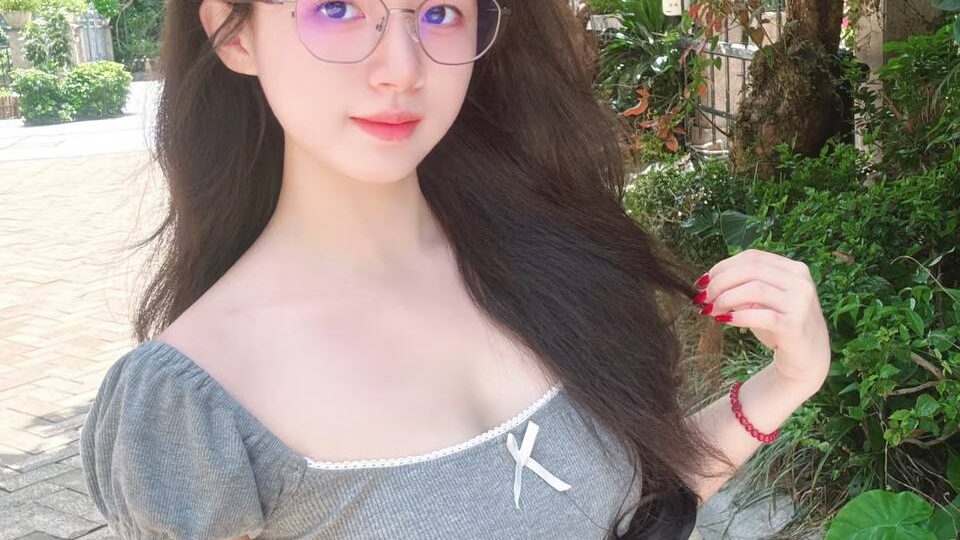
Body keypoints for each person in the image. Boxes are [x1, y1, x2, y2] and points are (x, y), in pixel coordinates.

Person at [78, 0, 832, 538]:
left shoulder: (542, 259)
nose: (401, 69)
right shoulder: (194, 405)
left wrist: (787, 381)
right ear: (234, 31)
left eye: (438, 13)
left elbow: (639, 510)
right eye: (338, 9)